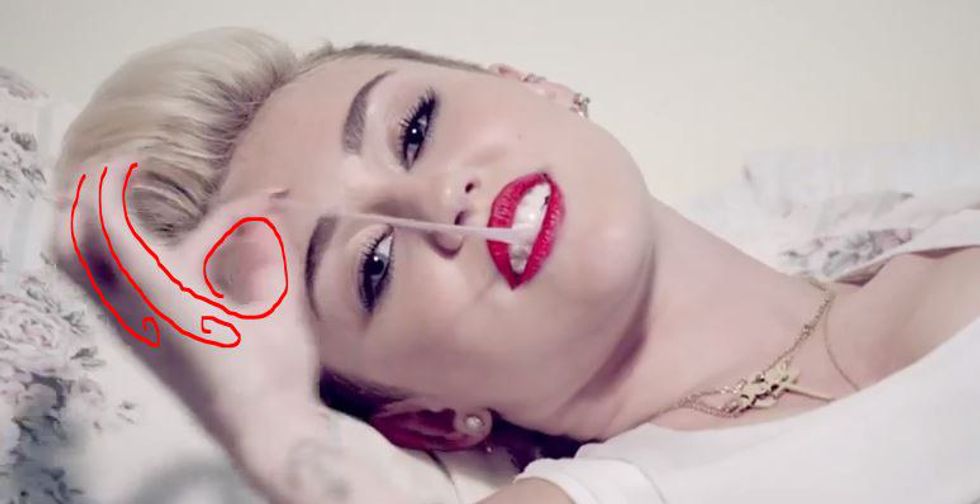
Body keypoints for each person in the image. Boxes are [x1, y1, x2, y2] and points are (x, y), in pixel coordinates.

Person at [51, 28, 980, 503]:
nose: (435, 202)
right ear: (426, 419)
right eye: (373, 266)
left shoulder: (932, 211)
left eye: (416, 127)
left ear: (534, 85)